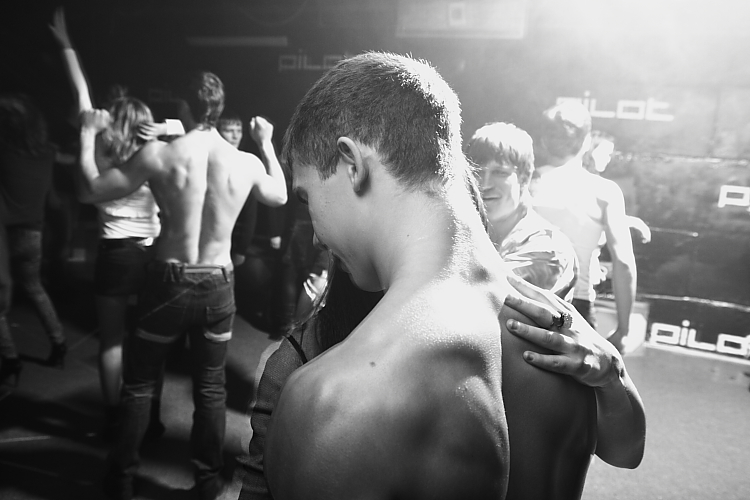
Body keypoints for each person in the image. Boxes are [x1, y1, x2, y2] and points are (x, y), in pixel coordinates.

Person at [261, 52, 645, 500]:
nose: (314, 236)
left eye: (306, 198)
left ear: (351, 164)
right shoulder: (560, 333)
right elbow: (626, 450)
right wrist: (614, 373)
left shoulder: (331, 398)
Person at [74, 70, 287, 500]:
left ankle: (120, 481)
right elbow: (279, 195)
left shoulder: (160, 156)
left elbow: (90, 190)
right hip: (218, 282)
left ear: (184, 107)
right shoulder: (244, 162)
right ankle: (207, 483)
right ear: (218, 109)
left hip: (168, 282)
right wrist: (265, 143)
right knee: (210, 387)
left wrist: (87, 134)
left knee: (139, 385)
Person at [50, 8, 165, 440]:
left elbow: (82, 95)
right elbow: (193, 130)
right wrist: (164, 127)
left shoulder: (98, 149)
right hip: (152, 253)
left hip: (115, 254)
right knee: (150, 341)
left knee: (112, 341)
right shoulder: (157, 154)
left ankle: (114, 415)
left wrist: (66, 45)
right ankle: (151, 416)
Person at [532, 102, 638, 353]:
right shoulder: (605, 192)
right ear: (586, 142)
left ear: (544, 141)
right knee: (568, 375)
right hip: (571, 309)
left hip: (522, 300)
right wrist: (623, 330)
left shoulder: (522, 183)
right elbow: (624, 263)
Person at [466, 121, 577, 299]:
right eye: (477, 171)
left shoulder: (547, 248)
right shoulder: (465, 235)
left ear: (524, 178)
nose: (484, 184)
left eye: (500, 173)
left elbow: (484, 298)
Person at [0, 94, 68, 385]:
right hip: (33, 233)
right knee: (35, 288)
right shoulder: (47, 153)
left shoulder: (3, 149)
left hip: (3, 234)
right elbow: (51, 198)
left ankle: (10, 360)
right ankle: (59, 343)